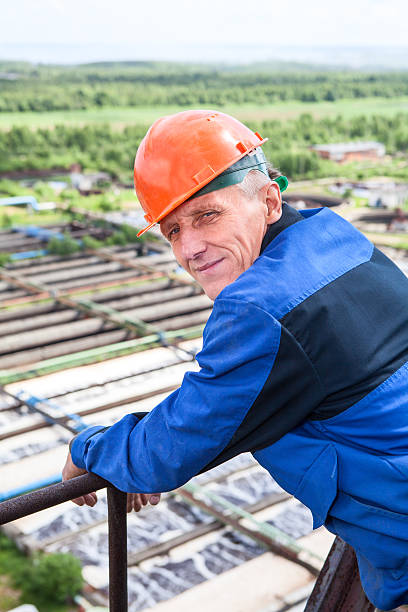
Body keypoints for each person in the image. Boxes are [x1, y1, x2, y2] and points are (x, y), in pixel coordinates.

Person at [63, 110, 408, 610]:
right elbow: (222, 395)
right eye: (173, 230)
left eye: (207, 215)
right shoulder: (335, 240)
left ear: (268, 200)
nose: (191, 249)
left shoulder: (261, 310)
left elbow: (170, 449)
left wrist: (89, 448)